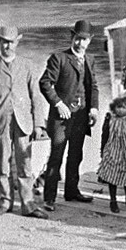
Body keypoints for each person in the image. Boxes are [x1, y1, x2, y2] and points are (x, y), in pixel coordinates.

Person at [0, 26, 49, 219]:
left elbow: (36, 97)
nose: (7, 45)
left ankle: (27, 204)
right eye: (4, 41)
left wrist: (38, 125)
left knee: (25, 164)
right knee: (2, 164)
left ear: (17, 43)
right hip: (0, 122)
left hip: (23, 123)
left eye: (11, 42)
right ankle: (5, 201)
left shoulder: (27, 66)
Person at [39, 20, 98, 211]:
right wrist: (58, 104)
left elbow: (94, 87)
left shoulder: (90, 61)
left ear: (90, 41)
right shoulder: (59, 58)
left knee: (76, 155)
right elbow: (45, 83)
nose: (80, 43)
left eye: (84, 40)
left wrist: (94, 108)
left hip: (80, 117)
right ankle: (49, 198)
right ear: (72, 38)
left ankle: (72, 192)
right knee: (56, 155)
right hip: (61, 118)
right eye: (77, 39)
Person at [96, 94, 126, 213]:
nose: (121, 110)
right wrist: (102, 151)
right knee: (113, 175)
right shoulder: (110, 119)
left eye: (124, 107)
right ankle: (113, 200)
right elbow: (104, 135)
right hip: (113, 151)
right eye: (118, 107)